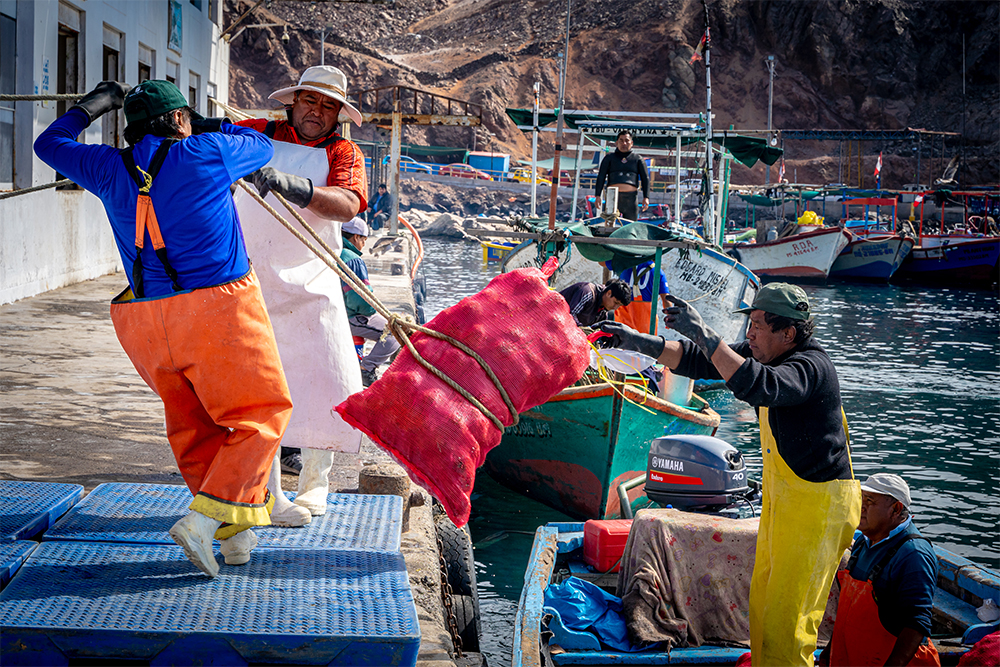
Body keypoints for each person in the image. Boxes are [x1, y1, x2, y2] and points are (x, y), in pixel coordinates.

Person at [33, 80, 293, 577]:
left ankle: (234, 537)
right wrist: (208, 121)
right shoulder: (208, 151)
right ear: (179, 121)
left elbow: (49, 145)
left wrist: (92, 107)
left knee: (195, 424)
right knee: (262, 415)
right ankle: (200, 523)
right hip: (218, 310)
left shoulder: (108, 167)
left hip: (144, 320)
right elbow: (260, 143)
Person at [598, 283, 861, 665]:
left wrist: (706, 333)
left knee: (791, 617)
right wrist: (638, 342)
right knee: (765, 605)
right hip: (786, 504)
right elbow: (701, 360)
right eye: (749, 323)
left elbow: (759, 385)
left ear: (788, 333)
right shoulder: (765, 355)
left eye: (757, 324)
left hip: (818, 510)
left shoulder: (811, 368)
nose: (749, 333)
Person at [235, 65, 368, 525]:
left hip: (314, 279)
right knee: (262, 389)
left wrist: (296, 186)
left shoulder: (343, 150)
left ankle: (316, 486)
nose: (317, 111)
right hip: (254, 278)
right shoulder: (257, 133)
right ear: (292, 101)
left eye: (329, 105)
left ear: (338, 115)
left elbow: (349, 203)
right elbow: (201, 143)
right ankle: (269, 493)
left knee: (328, 380)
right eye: (310, 100)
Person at [819, 474, 940, 667]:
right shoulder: (862, 543)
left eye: (870, 501)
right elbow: (848, 611)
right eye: (861, 499)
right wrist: (829, 650)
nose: (861, 507)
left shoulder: (914, 554)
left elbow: (916, 624)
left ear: (896, 509)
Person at [340, 216, 402, 387]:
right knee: (396, 332)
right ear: (356, 237)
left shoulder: (336, 252)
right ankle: (366, 369)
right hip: (351, 316)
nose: (364, 244)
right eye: (364, 240)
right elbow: (361, 300)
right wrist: (372, 313)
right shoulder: (353, 259)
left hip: (340, 311)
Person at [595, 130, 650, 222]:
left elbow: (645, 179)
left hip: (631, 198)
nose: (624, 143)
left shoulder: (638, 159)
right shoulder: (609, 158)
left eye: (627, 140)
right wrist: (597, 195)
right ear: (617, 142)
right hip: (612, 197)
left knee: (630, 226)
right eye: (621, 140)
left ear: (631, 143)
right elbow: (601, 177)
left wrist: (646, 197)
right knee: (609, 223)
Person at [607, 260, 670, 335]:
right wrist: (670, 317)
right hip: (646, 325)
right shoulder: (658, 271)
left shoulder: (624, 264)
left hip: (623, 322)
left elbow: (601, 262)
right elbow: (666, 300)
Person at [559, 279, 632, 327]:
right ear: (609, 293)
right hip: (552, 320)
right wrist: (582, 329)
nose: (615, 307)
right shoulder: (588, 293)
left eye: (619, 305)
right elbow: (569, 315)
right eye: (616, 302)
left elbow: (597, 329)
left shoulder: (603, 311)